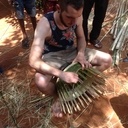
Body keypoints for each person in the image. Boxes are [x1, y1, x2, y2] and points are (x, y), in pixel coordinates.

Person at [29, 0, 112, 117]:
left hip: (72, 52)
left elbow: (81, 37)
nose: (73, 22)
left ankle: (82, 83)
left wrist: (81, 54)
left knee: (107, 59)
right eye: (69, 17)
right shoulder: (45, 24)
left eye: (77, 16)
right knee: (40, 81)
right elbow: (33, 61)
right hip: (53, 56)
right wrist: (61, 74)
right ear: (58, 8)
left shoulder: (76, 16)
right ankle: (58, 96)